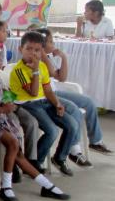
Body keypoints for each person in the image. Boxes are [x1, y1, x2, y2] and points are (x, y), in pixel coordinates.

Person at [0, 44, 70, 201]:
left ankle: (46, 185)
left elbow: (2, 95)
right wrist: (2, 109)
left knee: (17, 151)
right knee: (13, 144)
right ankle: (7, 186)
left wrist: (10, 101)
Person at [9, 32, 80, 176]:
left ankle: (60, 158)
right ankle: (34, 163)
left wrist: (57, 103)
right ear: (20, 49)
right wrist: (34, 71)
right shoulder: (19, 70)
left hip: (44, 102)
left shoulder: (42, 66)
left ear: (42, 52)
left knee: (72, 125)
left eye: (37, 50)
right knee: (52, 131)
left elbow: (47, 90)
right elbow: (34, 93)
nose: (33, 53)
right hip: (28, 104)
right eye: (28, 49)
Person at [37, 28, 112, 156]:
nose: (53, 44)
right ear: (42, 45)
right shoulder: (40, 58)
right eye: (50, 41)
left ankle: (96, 141)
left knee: (89, 103)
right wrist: (43, 55)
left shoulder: (49, 57)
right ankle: (74, 148)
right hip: (47, 94)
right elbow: (52, 73)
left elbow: (62, 77)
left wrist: (63, 57)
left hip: (55, 90)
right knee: (74, 110)